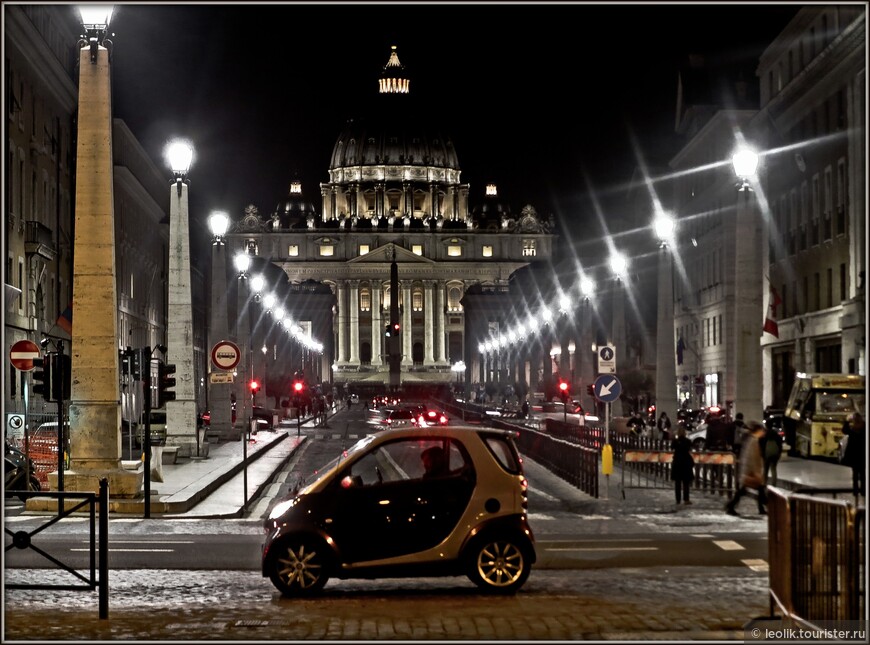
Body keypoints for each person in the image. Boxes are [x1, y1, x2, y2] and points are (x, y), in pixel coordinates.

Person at [725, 421, 767, 516]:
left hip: (749, 471)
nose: (763, 432)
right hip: (750, 472)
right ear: (758, 431)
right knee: (749, 490)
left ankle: (761, 508)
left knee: (746, 491)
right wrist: (755, 472)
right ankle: (731, 506)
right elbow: (752, 458)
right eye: (762, 430)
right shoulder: (753, 441)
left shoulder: (751, 440)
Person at [841, 412, 865, 496]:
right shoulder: (864, 428)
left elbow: (844, 430)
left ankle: (855, 491)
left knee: (855, 473)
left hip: (854, 454)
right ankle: (863, 490)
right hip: (863, 454)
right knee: (863, 473)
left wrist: (847, 421)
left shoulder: (853, 430)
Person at [670, 425, 695, 505]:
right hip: (685, 463)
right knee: (686, 483)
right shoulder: (688, 441)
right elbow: (689, 449)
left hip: (677, 462)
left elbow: (672, 448)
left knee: (677, 483)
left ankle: (678, 499)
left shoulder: (675, 441)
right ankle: (686, 499)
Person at [760, 419, 783, 486]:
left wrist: (761, 454)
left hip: (766, 454)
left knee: (765, 469)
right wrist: (779, 453)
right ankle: (774, 483)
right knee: (773, 468)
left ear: (766, 425)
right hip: (775, 454)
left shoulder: (764, 434)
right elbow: (780, 444)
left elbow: (761, 444)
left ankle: (764, 483)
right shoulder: (776, 434)